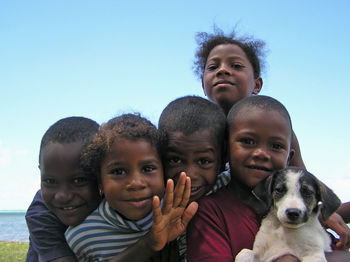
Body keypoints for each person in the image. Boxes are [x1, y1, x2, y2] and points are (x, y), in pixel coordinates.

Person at [192, 27, 350, 247]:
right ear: (203, 82)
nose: (223, 71)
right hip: (216, 226)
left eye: (236, 66)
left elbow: (302, 175)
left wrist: (326, 212)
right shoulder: (198, 131)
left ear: (257, 84)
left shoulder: (277, 126)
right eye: (213, 66)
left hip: (275, 226)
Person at [186, 95, 350, 262]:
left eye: (276, 146)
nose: (261, 153)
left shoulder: (303, 218)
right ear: (226, 149)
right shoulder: (209, 212)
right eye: (247, 141)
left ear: (288, 158)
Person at [65, 113, 198, 262]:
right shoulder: (81, 237)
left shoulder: (178, 210)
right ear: (100, 181)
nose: (136, 183)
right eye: (118, 172)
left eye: (148, 169)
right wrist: (149, 243)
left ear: (163, 171)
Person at [158, 95, 228, 261]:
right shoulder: (150, 201)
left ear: (222, 159)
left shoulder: (229, 186)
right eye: (175, 160)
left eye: (204, 161)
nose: (188, 176)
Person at [25, 116, 101, 262]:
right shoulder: (41, 215)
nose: (62, 196)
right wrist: (146, 244)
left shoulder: (117, 200)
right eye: (50, 181)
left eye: (79, 180)